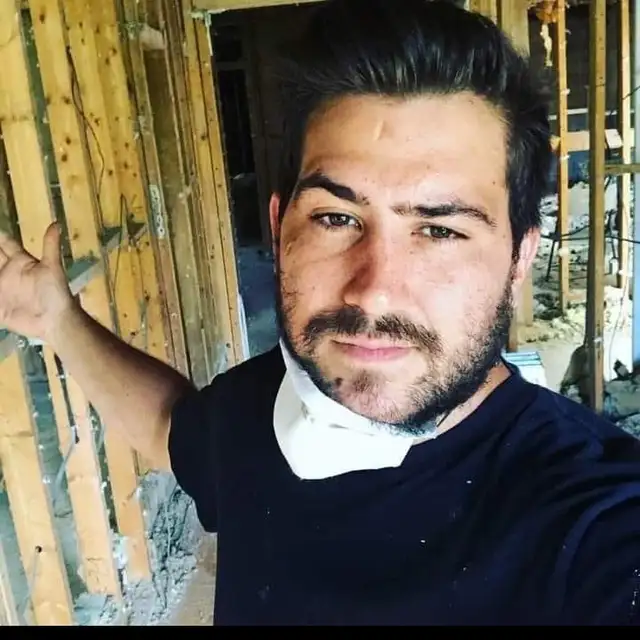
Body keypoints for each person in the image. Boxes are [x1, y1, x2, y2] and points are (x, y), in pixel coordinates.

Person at [0, 0, 639, 626]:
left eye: (440, 230)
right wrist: (58, 319)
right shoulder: (266, 406)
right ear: (280, 229)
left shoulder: (591, 525)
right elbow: (171, 429)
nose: (374, 292)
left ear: (520, 256)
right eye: (336, 218)